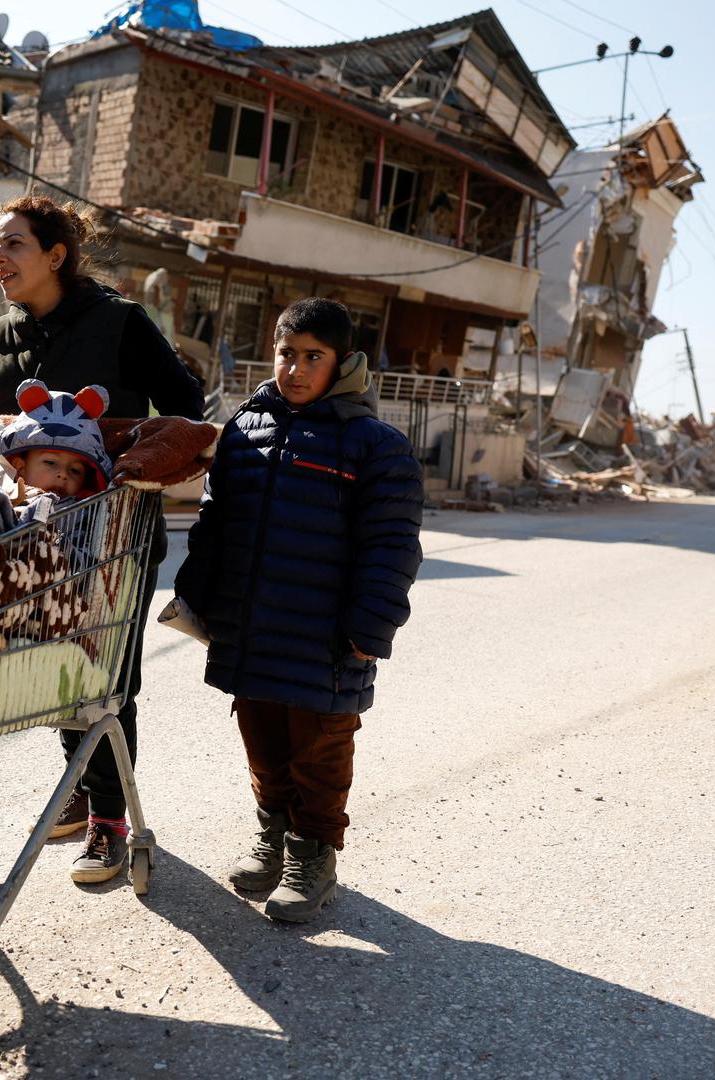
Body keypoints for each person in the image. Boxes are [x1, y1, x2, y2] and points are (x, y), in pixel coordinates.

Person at [0, 195, 203, 884]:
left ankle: (109, 820)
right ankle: (81, 781)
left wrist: (129, 453)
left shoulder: (120, 324)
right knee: (47, 672)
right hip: (29, 540)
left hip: (114, 535)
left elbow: (184, 407)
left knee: (103, 682)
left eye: (12, 243)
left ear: (55, 255)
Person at [173, 298, 424, 923]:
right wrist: (195, 594)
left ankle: (314, 855)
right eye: (288, 354)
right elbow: (214, 521)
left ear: (343, 363)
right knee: (261, 741)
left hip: (328, 639)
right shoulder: (245, 429)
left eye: (313, 356)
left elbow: (392, 546)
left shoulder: (376, 446)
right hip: (251, 630)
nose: (295, 368)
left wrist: (372, 627)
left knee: (319, 749)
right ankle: (274, 835)